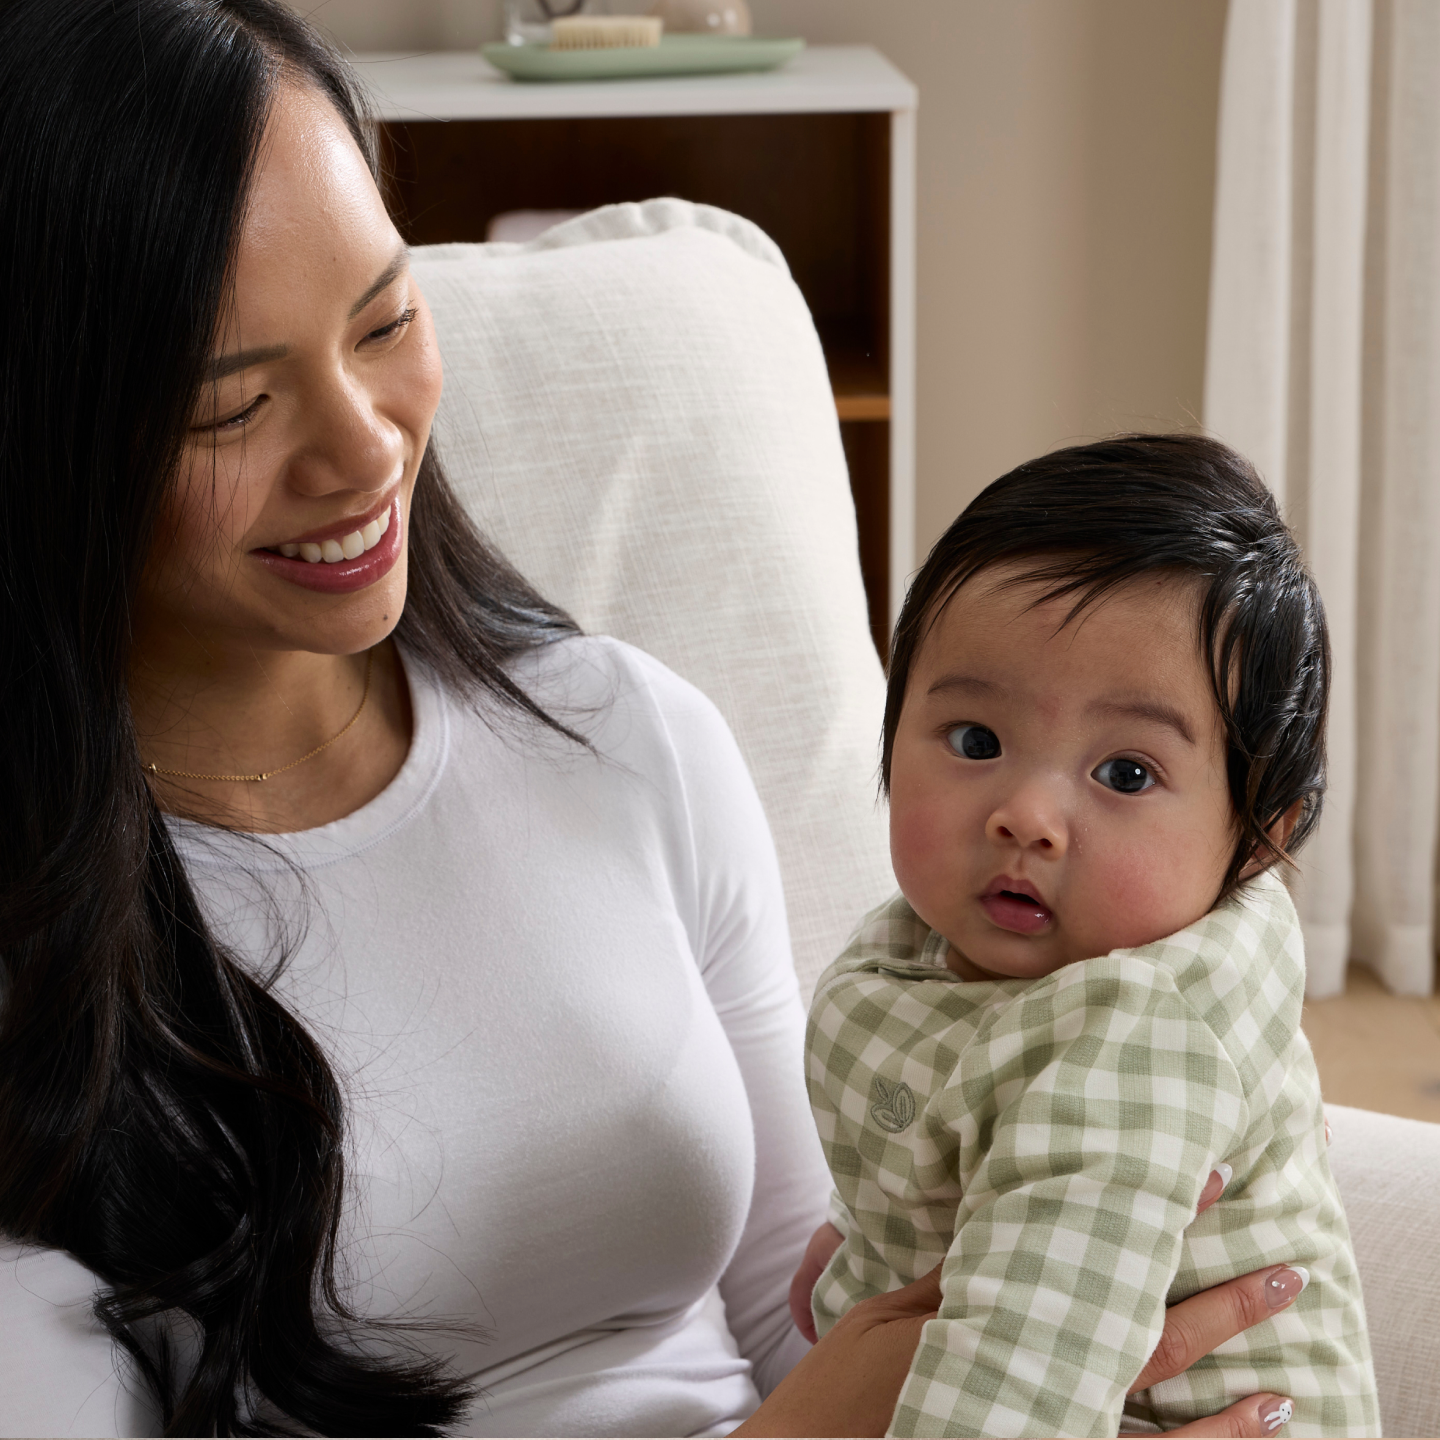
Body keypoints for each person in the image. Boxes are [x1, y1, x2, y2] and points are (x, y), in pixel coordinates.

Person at [0, 1, 1319, 1434]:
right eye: (230, 408)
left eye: (384, 320)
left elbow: (805, 1295)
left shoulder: (624, 737)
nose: (364, 447)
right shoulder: (46, 952)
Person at [803, 437, 1380, 1437]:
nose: (1026, 816)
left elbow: (1021, 1371)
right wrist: (859, 1256)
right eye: (977, 741)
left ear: (1257, 840)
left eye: (1126, 774)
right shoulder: (923, 945)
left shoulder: (1138, 1030)